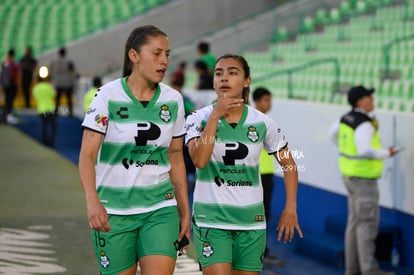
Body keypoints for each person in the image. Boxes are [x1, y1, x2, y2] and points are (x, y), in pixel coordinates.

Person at [78, 25, 191, 275]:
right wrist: (92, 202)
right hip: (113, 213)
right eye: (157, 53)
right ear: (134, 56)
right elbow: (86, 156)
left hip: (160, 209)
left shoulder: (173, 100)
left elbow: (176, 158)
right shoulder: (106, 96)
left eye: (168, 54)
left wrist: (184, 209)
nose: (164, 61)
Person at [185, 54, 303, 275]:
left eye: (232, 72)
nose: (224, 78)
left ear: (247, 81)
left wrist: (290, 206)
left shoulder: (262, 122)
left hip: (251, 223)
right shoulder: (197, 118)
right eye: (219, 73)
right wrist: (214, 118)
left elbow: (289, 165)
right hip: (212, 221)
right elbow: (199, 160)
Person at [328, 85, 399, 275]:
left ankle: (352, 269)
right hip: (364, 180)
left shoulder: (345, 118)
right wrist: (387, 152)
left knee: (354, 223)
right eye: (369, 97)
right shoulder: (364, 123)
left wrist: (346, 152)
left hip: (349, 176)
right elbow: (365, 149)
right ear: (360, 100)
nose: (372, 101)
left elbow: (331, 135)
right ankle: (369, 270)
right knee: (367, 224)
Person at [252, 87, 285, 267]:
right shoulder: (257, 121)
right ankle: (258, 253)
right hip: (259, 174)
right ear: (256, 101)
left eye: (269, 100)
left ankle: (261, 251)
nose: (269, 104)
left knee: (264, 214)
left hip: (266, 173)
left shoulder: (264, 121)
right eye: (265, 100)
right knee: (259, 215)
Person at [32, 66, 57, 147]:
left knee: (43, 127)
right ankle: (50, 143)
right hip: (50, 109)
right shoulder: (49, 86)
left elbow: (35, 96)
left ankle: (44, 142)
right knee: (53, 127)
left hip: (41, 109)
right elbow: (54, 95)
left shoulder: (36, 88)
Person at [49, 46, 76, 116]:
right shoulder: (69, 61)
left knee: (58, 98)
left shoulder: (54, 62)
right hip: (67, 82)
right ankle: (70, 112)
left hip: (58, 82)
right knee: (69, 98)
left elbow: (50, 71)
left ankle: (56, 112)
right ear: (65, 53)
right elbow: (72, 71)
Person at [1, 48, 19, 124]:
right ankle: (8, 117)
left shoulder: (4, 62)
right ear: (13, 55)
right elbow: (14, 74)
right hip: (12, 84)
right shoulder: (12, 63)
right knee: (9, 101)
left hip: (5, 84)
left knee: (7, 101)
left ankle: (5, 116)